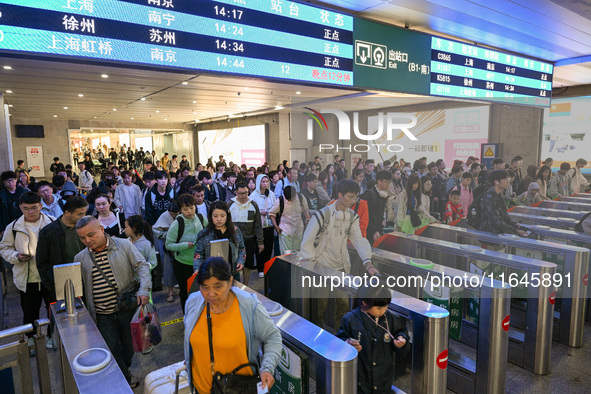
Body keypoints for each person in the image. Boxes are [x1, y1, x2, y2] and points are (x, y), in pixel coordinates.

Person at [184, 257, 282, 393]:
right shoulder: (193, 303)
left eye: (217, 286)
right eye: (205, 287)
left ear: (230, 282)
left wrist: (267, 368)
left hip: (239, 389)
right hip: (201, 389)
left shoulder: (249, 306)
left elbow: (273, 336)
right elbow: (190, 335)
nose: (210, 294)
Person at [74, 216, 151, 388]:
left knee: (129, 348)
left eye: (91, 235)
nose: (87, 240)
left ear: (101, 229)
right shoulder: (80, 258)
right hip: (102, 315)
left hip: (126, 309)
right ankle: (123, 377)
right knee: (111, 349)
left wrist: (144, 290)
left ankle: (124, 369)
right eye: (82, 238)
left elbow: (142, 266)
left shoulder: (123, 245)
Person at [300, 179, 377, 327]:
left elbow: (358, 240)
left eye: (355, 197)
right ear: (340, 195)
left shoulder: (352, 217)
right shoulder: (323, 215)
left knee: (342, 306)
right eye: (349, 197)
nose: (352, 201)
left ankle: (340, 338)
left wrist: (368, 264)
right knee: (319, 307)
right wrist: (312, 265)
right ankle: (317, 341)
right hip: (322, 267)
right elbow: (307, 241)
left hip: (341, 268)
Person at [0, 192, 56, 350]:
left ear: (41, 206)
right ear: (20, 208)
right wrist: (16, 256)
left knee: (52, 308)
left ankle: (51, 336)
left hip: (48, 276)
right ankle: (31, 338)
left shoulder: (52, 222)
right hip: (27, 277)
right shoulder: (13, 227)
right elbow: (4, 248)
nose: (30, 212)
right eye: (26, 209)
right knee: (30, 311)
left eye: (34, 208)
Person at [337, 285, 408, 394]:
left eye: (386, 307)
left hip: (383, 375)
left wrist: (401, 340)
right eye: (379, 308)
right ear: (365, 303)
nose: (383, 311)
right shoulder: (350, 319)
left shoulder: (391, 318)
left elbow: (401, 332)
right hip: (360, 375)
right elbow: (339, 340)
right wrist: (347, 344)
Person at [36, 196, 88, 301]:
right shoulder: (49, 232)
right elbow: (42, 262)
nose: (84, 216)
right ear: (67, 213)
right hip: (61, 283)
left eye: (84, 213)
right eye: (80, 214)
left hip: (85, 279)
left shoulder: (85, 227)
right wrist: (51, 284)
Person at [166, 194, 207, 313]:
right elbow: (168, 245)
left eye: (191, 207)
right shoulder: (177, 223)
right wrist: (185, 245)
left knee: (202, 291)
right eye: (185, 209)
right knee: (185, 293)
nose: (189, 211)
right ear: (180, 210)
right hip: (183, 264)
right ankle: (187, 318)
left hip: (200, 263)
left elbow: (209, 231)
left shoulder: (200, 218)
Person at [194, 201, 246, 280]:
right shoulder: (203, 234)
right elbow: (198, 254)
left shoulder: (235, 231)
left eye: (222, 216)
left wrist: (240, 261)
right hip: (211, 275)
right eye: (215, 216)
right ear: (210, 216)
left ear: (227, 216)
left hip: (233, 273)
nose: (219, 219)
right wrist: (197, 269)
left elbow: (242, 248)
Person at [228, 182, 264, 286]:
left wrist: (260, 242)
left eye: (246, 193)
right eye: (241, 193)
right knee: (234, 264)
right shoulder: (230, 204)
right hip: (233, 241)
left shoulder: (253, 204)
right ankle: (235, 286)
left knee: (248, 264)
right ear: (236, 192)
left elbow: (257, 225)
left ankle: (246, 285)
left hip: (249, 240)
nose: (243, 196)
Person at [478, 170, 526, 236]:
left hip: (497, 232)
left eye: (508, 179)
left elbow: (504, 215)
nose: (508, 182)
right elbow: (496, 220)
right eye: (505, 179)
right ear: (496, 182)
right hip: (489, 234)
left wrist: (515, 226)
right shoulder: (489, 197)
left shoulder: (498, 194)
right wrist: (515, 230)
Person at [248, 175, 276, 277]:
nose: (265, 184)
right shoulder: (253, 196)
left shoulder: (271, 194)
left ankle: (267, 266)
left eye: (267, 181)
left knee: (269, 247)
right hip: (259, 226)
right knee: (260, 248)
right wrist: (261, 212)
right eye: (263, 182)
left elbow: (275, 206)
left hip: (269, 224)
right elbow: (251, 211)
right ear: (259, 182)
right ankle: (260, 268)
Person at [269, 186, 309, 255]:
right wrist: (276, 226)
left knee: (297, 253)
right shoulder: (280, 201)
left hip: (298, 230)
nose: (290, 200)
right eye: (288, 199)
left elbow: (305, 208)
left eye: (291, 198)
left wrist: (307, 217)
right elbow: (272, 214)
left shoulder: (301, 197)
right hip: (285, 230)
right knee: (286, 255)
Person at [153, 203, 180, 302]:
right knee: (168, 268)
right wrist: (169, 234)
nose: (173, 216)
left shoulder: (182, 215)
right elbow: (156, 230)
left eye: (175, 214)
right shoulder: (164, 216)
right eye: (172, 214)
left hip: (181, 244)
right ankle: (170, 292)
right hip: (168, 245)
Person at [360, 170, 392, 244]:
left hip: (377, 230)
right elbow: (366, 216)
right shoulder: (370, 194)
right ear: (379, 181)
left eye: (389, 183)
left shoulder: (383, 195)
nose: (388, 185)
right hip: (367, 232)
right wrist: (373, 231)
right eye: (386, 182)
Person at [1, 171, 28, 236]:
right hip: (7, 224)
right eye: (8, 181)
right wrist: (1, 229)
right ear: (4, 182)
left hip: (23, 223)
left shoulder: (24, 191)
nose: (10, 183)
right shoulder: (1, 195)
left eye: (12, 180)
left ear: (16, 179)